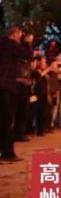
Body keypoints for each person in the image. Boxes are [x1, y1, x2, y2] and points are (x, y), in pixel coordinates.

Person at [0, 27, 24, 161]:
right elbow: (26, 54)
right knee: (6, 120)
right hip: (5, 86)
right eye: (19, 36)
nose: (20, 38)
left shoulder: (1, 44)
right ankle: (7, 153)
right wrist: (27, 42)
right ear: (14, 34)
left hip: (4, 85)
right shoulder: (11, 44)